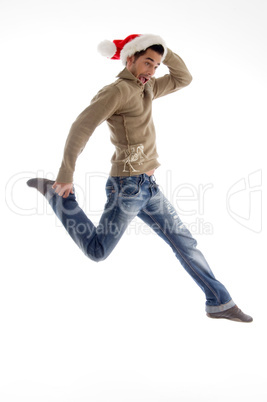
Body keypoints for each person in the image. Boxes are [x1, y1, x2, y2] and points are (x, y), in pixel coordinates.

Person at [27, 34, 252, 323]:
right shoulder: (117, 91)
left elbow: (184, 78)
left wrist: (163, 51)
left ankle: (220, 303)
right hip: (127, 187)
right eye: (147, 62)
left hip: (148, 187)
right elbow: (80, 128)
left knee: (185, 242)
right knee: (98, 251)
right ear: (130, 58)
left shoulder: (147, 89)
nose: (152, 70)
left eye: (157, 65)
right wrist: (65, 175)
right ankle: (59, 199)